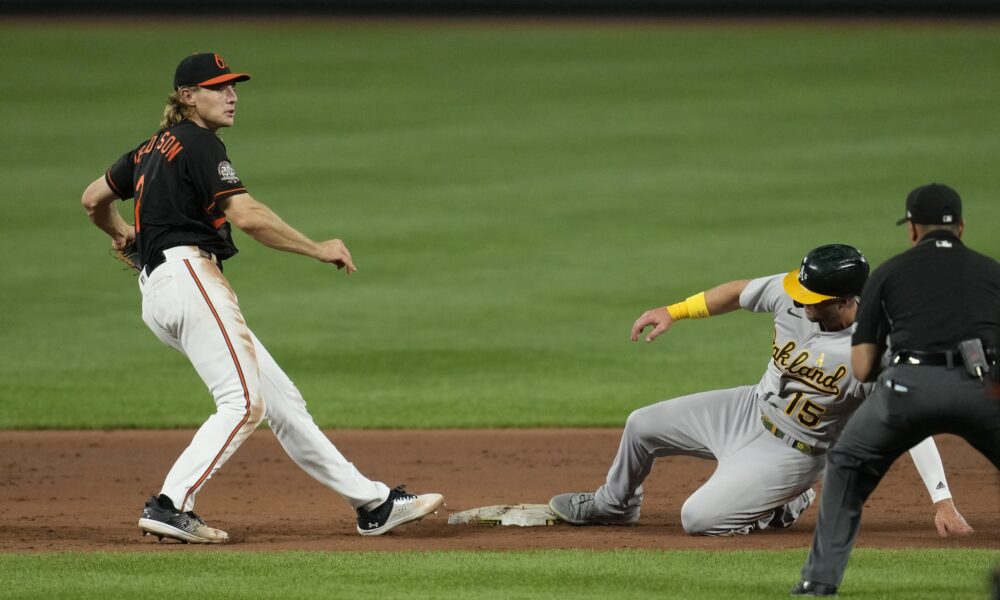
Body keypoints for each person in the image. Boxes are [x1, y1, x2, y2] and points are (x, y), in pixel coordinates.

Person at [80, 53, 443, 544]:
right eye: (217, 87)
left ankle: (373, 504)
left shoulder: (149, 149)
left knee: (282, 403)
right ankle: (171, 504)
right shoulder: (199, 143)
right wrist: (318, 248)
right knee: (243, 402)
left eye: (233, 86)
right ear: (187, 97)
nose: (231, 95)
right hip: (190, 279)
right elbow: (248, 216)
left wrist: (126, 235)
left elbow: (92, 199)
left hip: (164, 290)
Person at [548, 244, 972, 537]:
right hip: (747, 408)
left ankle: (782, 502)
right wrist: (673, 312)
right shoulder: (793, 294)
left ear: (847, 299)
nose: (803, 305)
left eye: (816, 300)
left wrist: (942, 500)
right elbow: (737, 293)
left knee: (698, 519)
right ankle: (615, 506)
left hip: (796, 451)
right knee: (641, 424)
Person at [792, 184, 1000, 596]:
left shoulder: (888, 273)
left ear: (912, 230)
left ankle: (818, 582)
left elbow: (865, 367)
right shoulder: (993, 273)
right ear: (961, 226)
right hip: (982, 389)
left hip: (909, 388)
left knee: (847, 465)